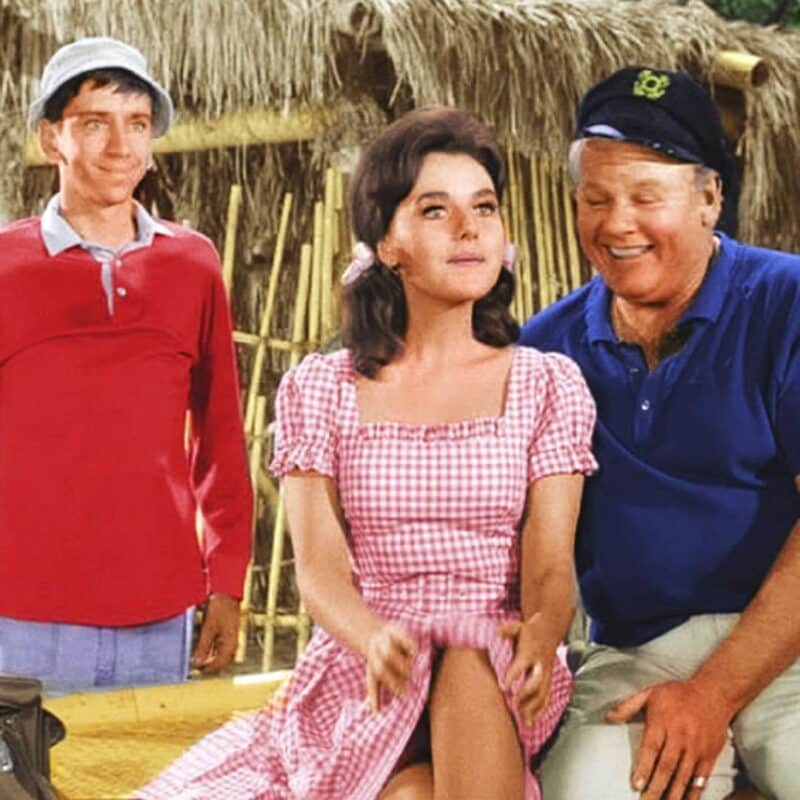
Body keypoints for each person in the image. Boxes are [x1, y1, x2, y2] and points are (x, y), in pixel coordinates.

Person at [136, 106, 597, 799]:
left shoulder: (546, 384)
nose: (470, 229)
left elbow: (551, 563)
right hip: (370, 655)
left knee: (472, 652)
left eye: (485, 207)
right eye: (436, 211)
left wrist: (542, 631)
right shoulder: (322, 389)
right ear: (388, 243)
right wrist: (374, 637)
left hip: (496, 650)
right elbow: (319, 577)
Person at [520, 66, 800, 800]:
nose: (618, 224)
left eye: (647, 197)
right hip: (637, 653)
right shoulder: (544, 350)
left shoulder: (786, 300)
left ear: (710, 199)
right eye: (596, 199)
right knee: (587, 788)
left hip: (789, 647)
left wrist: (714, 693)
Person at [0, 37, 253, 694]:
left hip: (159, 616)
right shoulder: (4, 267)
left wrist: (225, 581)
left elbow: (221, 437)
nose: (121, 146)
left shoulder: (193, 264)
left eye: (137, 124)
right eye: (95, 123)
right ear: (52, 136)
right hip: (19, 617)